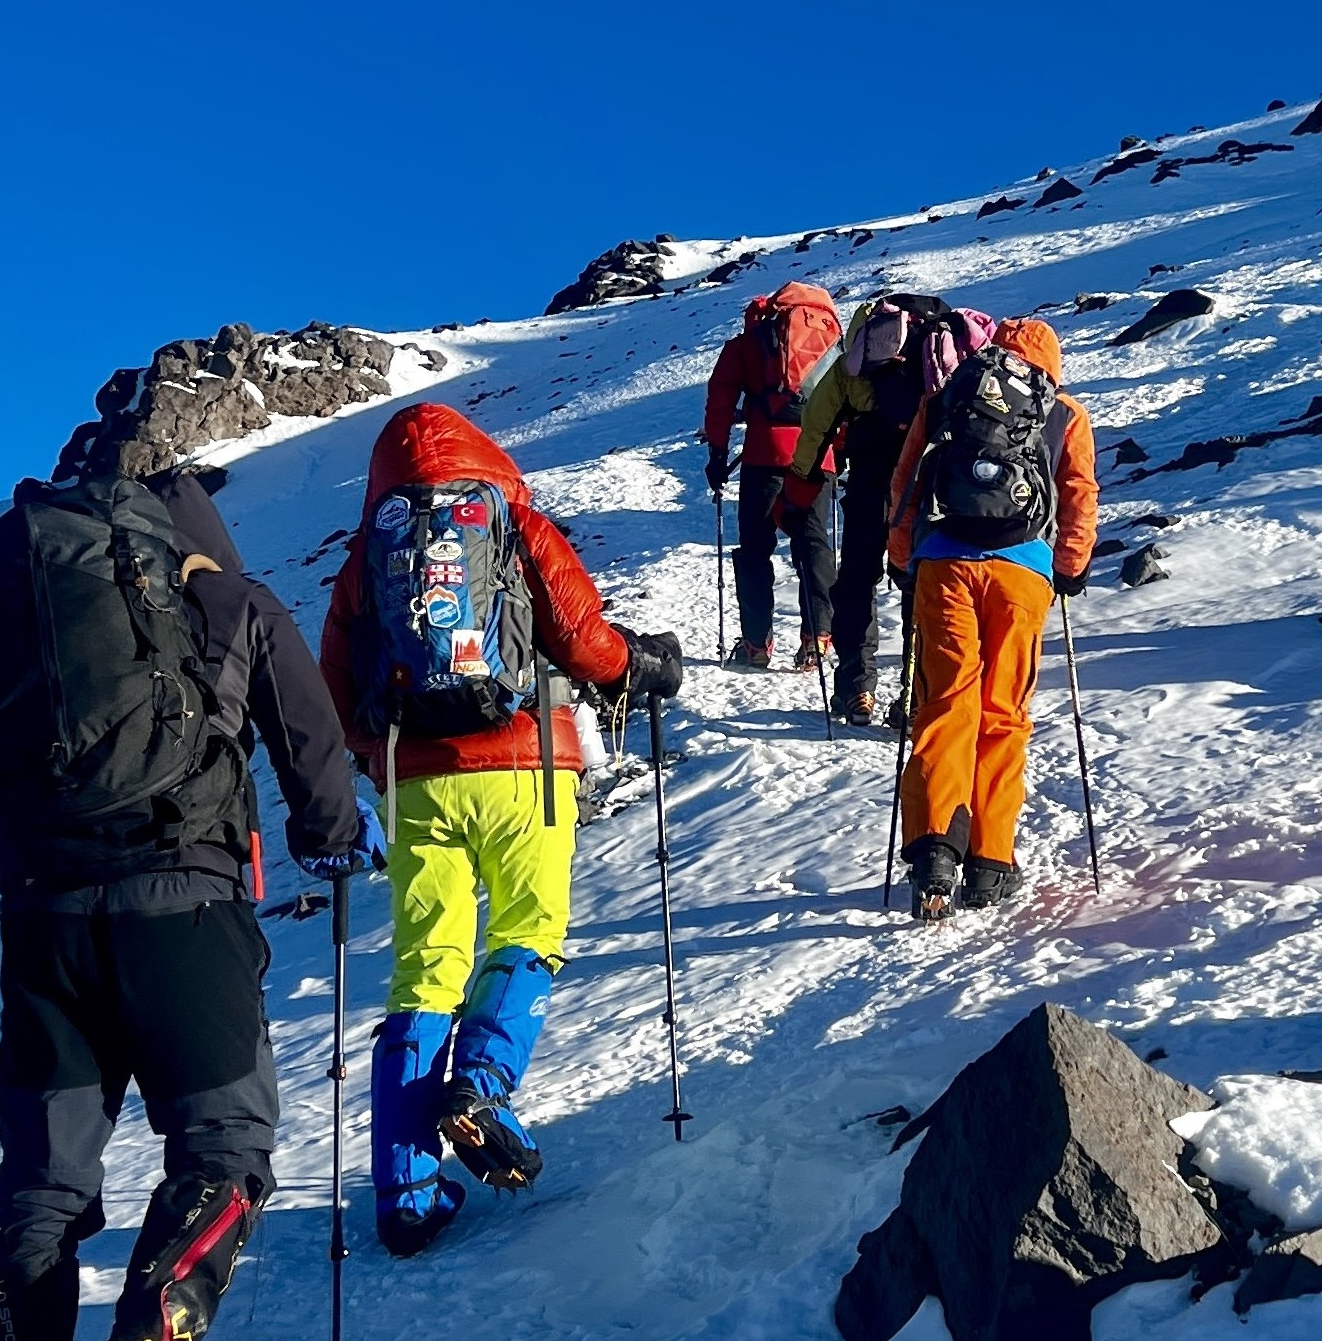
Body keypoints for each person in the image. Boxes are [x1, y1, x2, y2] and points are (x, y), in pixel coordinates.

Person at [0, 466, 374, 1341]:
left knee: (41, 1191)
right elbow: (310, 741)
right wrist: (331, 834)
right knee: (225, 1146)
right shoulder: (222, 596)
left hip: (45, 929)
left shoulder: (20, 600)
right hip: (184, 911)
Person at [319, 403, 680, 1259]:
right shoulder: (509, 516)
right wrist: (641, 666)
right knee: (527, 931)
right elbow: (582, 635)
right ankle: (482, 1086)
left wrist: (380, 754)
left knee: (425, 969)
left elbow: (334, 683)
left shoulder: (375, 546)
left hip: (420, 781)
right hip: (528, 767)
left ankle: (405, 1191)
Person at [886, 318, 1097, 921]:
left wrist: (904, 558)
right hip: (1021, 574)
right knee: (1004, 713)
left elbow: (906, 485)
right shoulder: (1064, 414)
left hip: (944, 565)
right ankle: (990, 864)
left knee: (946, 703)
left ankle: (933, 853)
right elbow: (1079, 493)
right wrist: (1070, 567)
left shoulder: (947, 396)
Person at [788, 296, 983, 725]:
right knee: (922, 581)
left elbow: (816, 423)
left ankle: (857, 688)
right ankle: (916, 693)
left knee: (857, 578)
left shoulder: (855, 362)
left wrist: (801, 479)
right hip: (927, 486)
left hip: (870, 482)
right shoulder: (939, 354)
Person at [703, 281, 842, 671]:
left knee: (755, 549)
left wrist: (717, 454)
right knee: (814, 543)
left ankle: (756, 644)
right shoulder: (832, 342)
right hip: (817, 457)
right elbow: (844, 398)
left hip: (765, 455)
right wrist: (839, 453)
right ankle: (817, 638)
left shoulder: (751, 341)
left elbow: (721, 397)